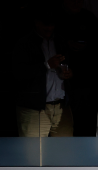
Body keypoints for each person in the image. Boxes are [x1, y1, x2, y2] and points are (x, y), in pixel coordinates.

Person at [14, 5, 74, 137]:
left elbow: (70, 64)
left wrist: (69, 73)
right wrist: (46, 65)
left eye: (52, 24)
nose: (49, 28)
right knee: (34, 155)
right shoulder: (24, 44)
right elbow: (17, 74)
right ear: (36, 23)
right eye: (45, 24)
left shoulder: (60, 41)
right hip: (34, 110)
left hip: (61, 107)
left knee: (64, 153)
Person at [56, 0, 98, 137]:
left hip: (90, 82)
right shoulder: (59, 19)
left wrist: (86, 46)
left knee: (90, 124)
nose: (76, 2)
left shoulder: (89, 18)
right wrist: (67, 43)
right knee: (70, 127)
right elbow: (54, 47)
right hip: (65, 85)